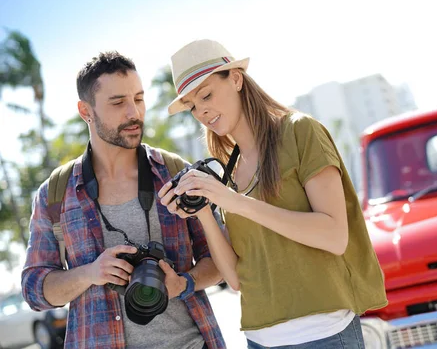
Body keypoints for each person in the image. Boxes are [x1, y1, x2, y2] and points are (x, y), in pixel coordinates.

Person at [159, 39, 388, 348]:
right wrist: (203, 212)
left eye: (207, 95)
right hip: (260, 339)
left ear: (236, 78)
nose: (202, 111)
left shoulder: (300, 132)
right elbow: (237, 279)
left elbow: (334, 236)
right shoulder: (232, 171)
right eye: (192, 106)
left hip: (325, 335)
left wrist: (235, 202)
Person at [21, 51, 226, 349]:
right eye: (118, 103)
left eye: (139, 99)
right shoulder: (55, 194)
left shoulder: (175, 173)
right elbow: (33, 290)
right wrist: (91, 273)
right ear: (86, 111)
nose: (134, 113)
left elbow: (220, 259)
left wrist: (183, 283)